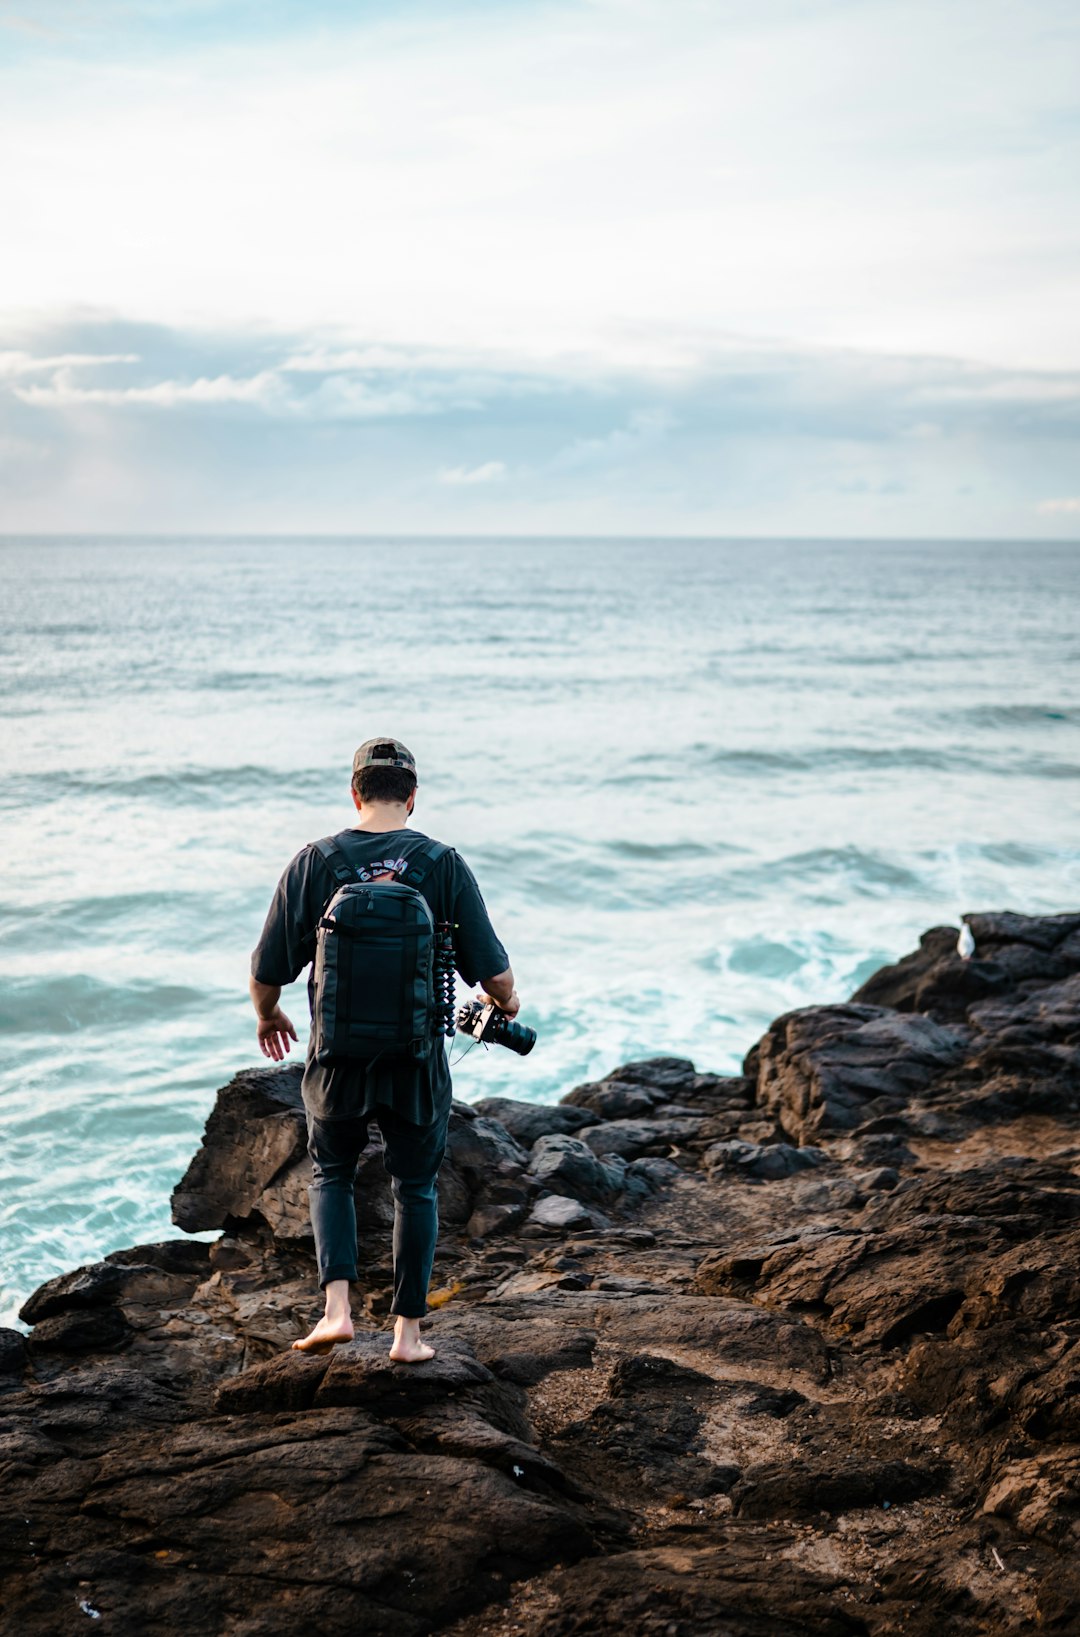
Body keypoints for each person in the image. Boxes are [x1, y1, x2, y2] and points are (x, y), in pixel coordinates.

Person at [248, 738, 518, 1363]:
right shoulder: (442, 863)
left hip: (337, 1056)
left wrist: (268, 1015)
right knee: (415, 1185)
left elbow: (268, 969)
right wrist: (508, 1006)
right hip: (415, 1057)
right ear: (413, 799)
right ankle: (408, 1336)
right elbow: (495, 977)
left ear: (355, 793)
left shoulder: (315, 861)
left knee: (332, 1172)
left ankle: (337, 1311)